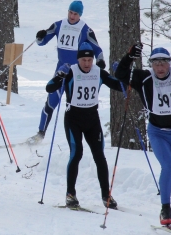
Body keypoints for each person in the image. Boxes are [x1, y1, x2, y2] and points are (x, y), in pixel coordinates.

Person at [115, 43, 171, 234]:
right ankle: (165, 210)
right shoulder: (144, 78)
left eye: (163, 63)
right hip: (158, 133)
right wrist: (130, 56)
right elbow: (121, 74)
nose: (160, 67)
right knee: (168, 166)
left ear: (169, 64)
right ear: (151, 65)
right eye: (156, 63)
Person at [46, 43, 123, 209]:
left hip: (92, 119)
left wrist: (122, 74)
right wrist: (60, 76)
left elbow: (120, 87)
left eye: (90, 60)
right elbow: (49, 88)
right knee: (77, 153)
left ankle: (105, 195)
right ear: (78, 60)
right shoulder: (71, 71)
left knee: (99, 156)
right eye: (83, 60)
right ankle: (70, 194)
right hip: (73, 118)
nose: (87, 63)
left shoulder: (98, 72)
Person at [32, 0, 106, 143]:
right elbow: (42, 41)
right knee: (51, 101)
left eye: (75, 14)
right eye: (70, 12)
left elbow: (97, 49)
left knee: (74, 106)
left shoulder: (86, 29)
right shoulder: (59, 25)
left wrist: (100, 60)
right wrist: (39, 36)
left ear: (80, 15)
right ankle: (40, 134)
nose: (72, 16)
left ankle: (78, 137)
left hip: (77, 73)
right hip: (61, 70)